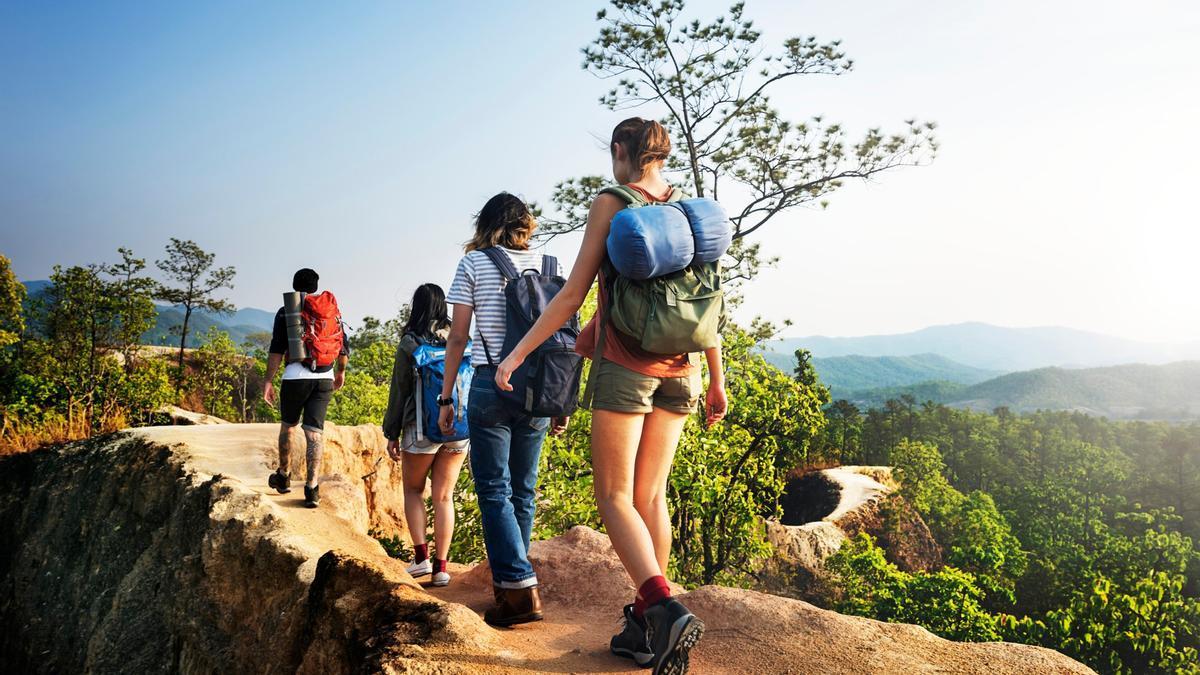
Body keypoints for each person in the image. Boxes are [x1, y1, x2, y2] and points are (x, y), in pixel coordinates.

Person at [493, 118, 726, 673]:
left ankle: (665, 609)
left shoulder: (612, 202)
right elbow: (711, 303)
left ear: (620, 151)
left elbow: (572, 293)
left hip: (628, 371)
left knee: (615, 496)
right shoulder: (687, 211)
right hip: (684, 369)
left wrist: (518, 354)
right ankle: (644, 631)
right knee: (652, 495)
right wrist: (718, 379)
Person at [439, 193, 568, 627]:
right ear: (525, 224)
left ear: (486, 223)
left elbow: (458, 337)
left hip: (492, 384)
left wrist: (445, 397)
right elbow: (564, 332)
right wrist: (560, 397)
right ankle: (514, 584)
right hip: (540, 386)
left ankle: (518, 589)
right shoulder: (552, 264)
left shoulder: (474, 264)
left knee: (494, 489)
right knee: (523, 490)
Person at [382, 283, 468, 587]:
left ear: (416, 307)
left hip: (421, 428)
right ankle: (442, 569)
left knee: (414, 491)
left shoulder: (411, 341)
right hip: (458, 429)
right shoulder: (460, 336)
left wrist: (391, 432)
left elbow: (400, 390)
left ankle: (421, 559)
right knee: (445, 496)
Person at [263, 268, 349, 508]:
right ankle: (311, 488)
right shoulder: (331, 313)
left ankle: (284, 476)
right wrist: (340, 372)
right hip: (324, 376)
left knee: (289, 427)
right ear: (316, 286)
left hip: (294, 377)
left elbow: (277, 350)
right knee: (314, 433)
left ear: (294, 285)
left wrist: (268, 380)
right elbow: (342, 348)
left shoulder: (287, 312)